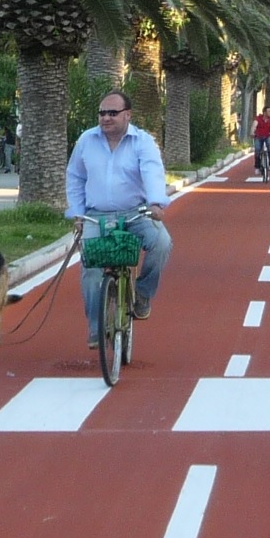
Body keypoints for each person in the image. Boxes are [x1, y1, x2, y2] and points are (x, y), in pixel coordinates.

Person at [66, 91, 174, 349]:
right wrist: (77, 213)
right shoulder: (86, 140)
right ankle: (95, 327)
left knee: (162, 242)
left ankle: (144, 294)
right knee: (91, 269)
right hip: (96, 216)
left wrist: (156, 202)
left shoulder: (142, 142)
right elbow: (75, 177)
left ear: (128, 115)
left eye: (112, 113)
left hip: (135, 213)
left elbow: (152, 172)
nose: (106, 118)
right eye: (102, 113)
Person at [251, 106, 270, 173]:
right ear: (264, 112)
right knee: (257, 150)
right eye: (269, 111)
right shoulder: (258, 118)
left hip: (268, 136)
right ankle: (257, 167)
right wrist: (252, 133)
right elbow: (254, 125)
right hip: (258, 136)